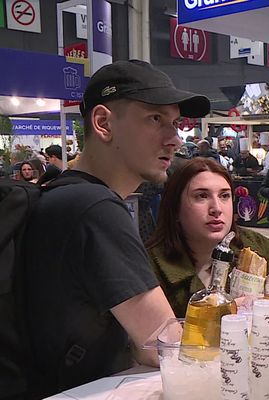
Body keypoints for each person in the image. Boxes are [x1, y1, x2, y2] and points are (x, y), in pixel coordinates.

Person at [22, 59, 211, 398]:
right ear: (103, 123)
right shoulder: (95, 209)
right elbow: (164, 346)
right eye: (156, 119)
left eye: (175, 123)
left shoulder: (63, 195)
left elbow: (144, 344)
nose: (175, 140)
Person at [146, 157, 269, 317]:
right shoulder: (151, 266)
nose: (216, 208)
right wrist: (232, 307)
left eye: (224, 196)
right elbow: (156, 336)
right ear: (175, 208)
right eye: (201, 196)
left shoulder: (251, 243)